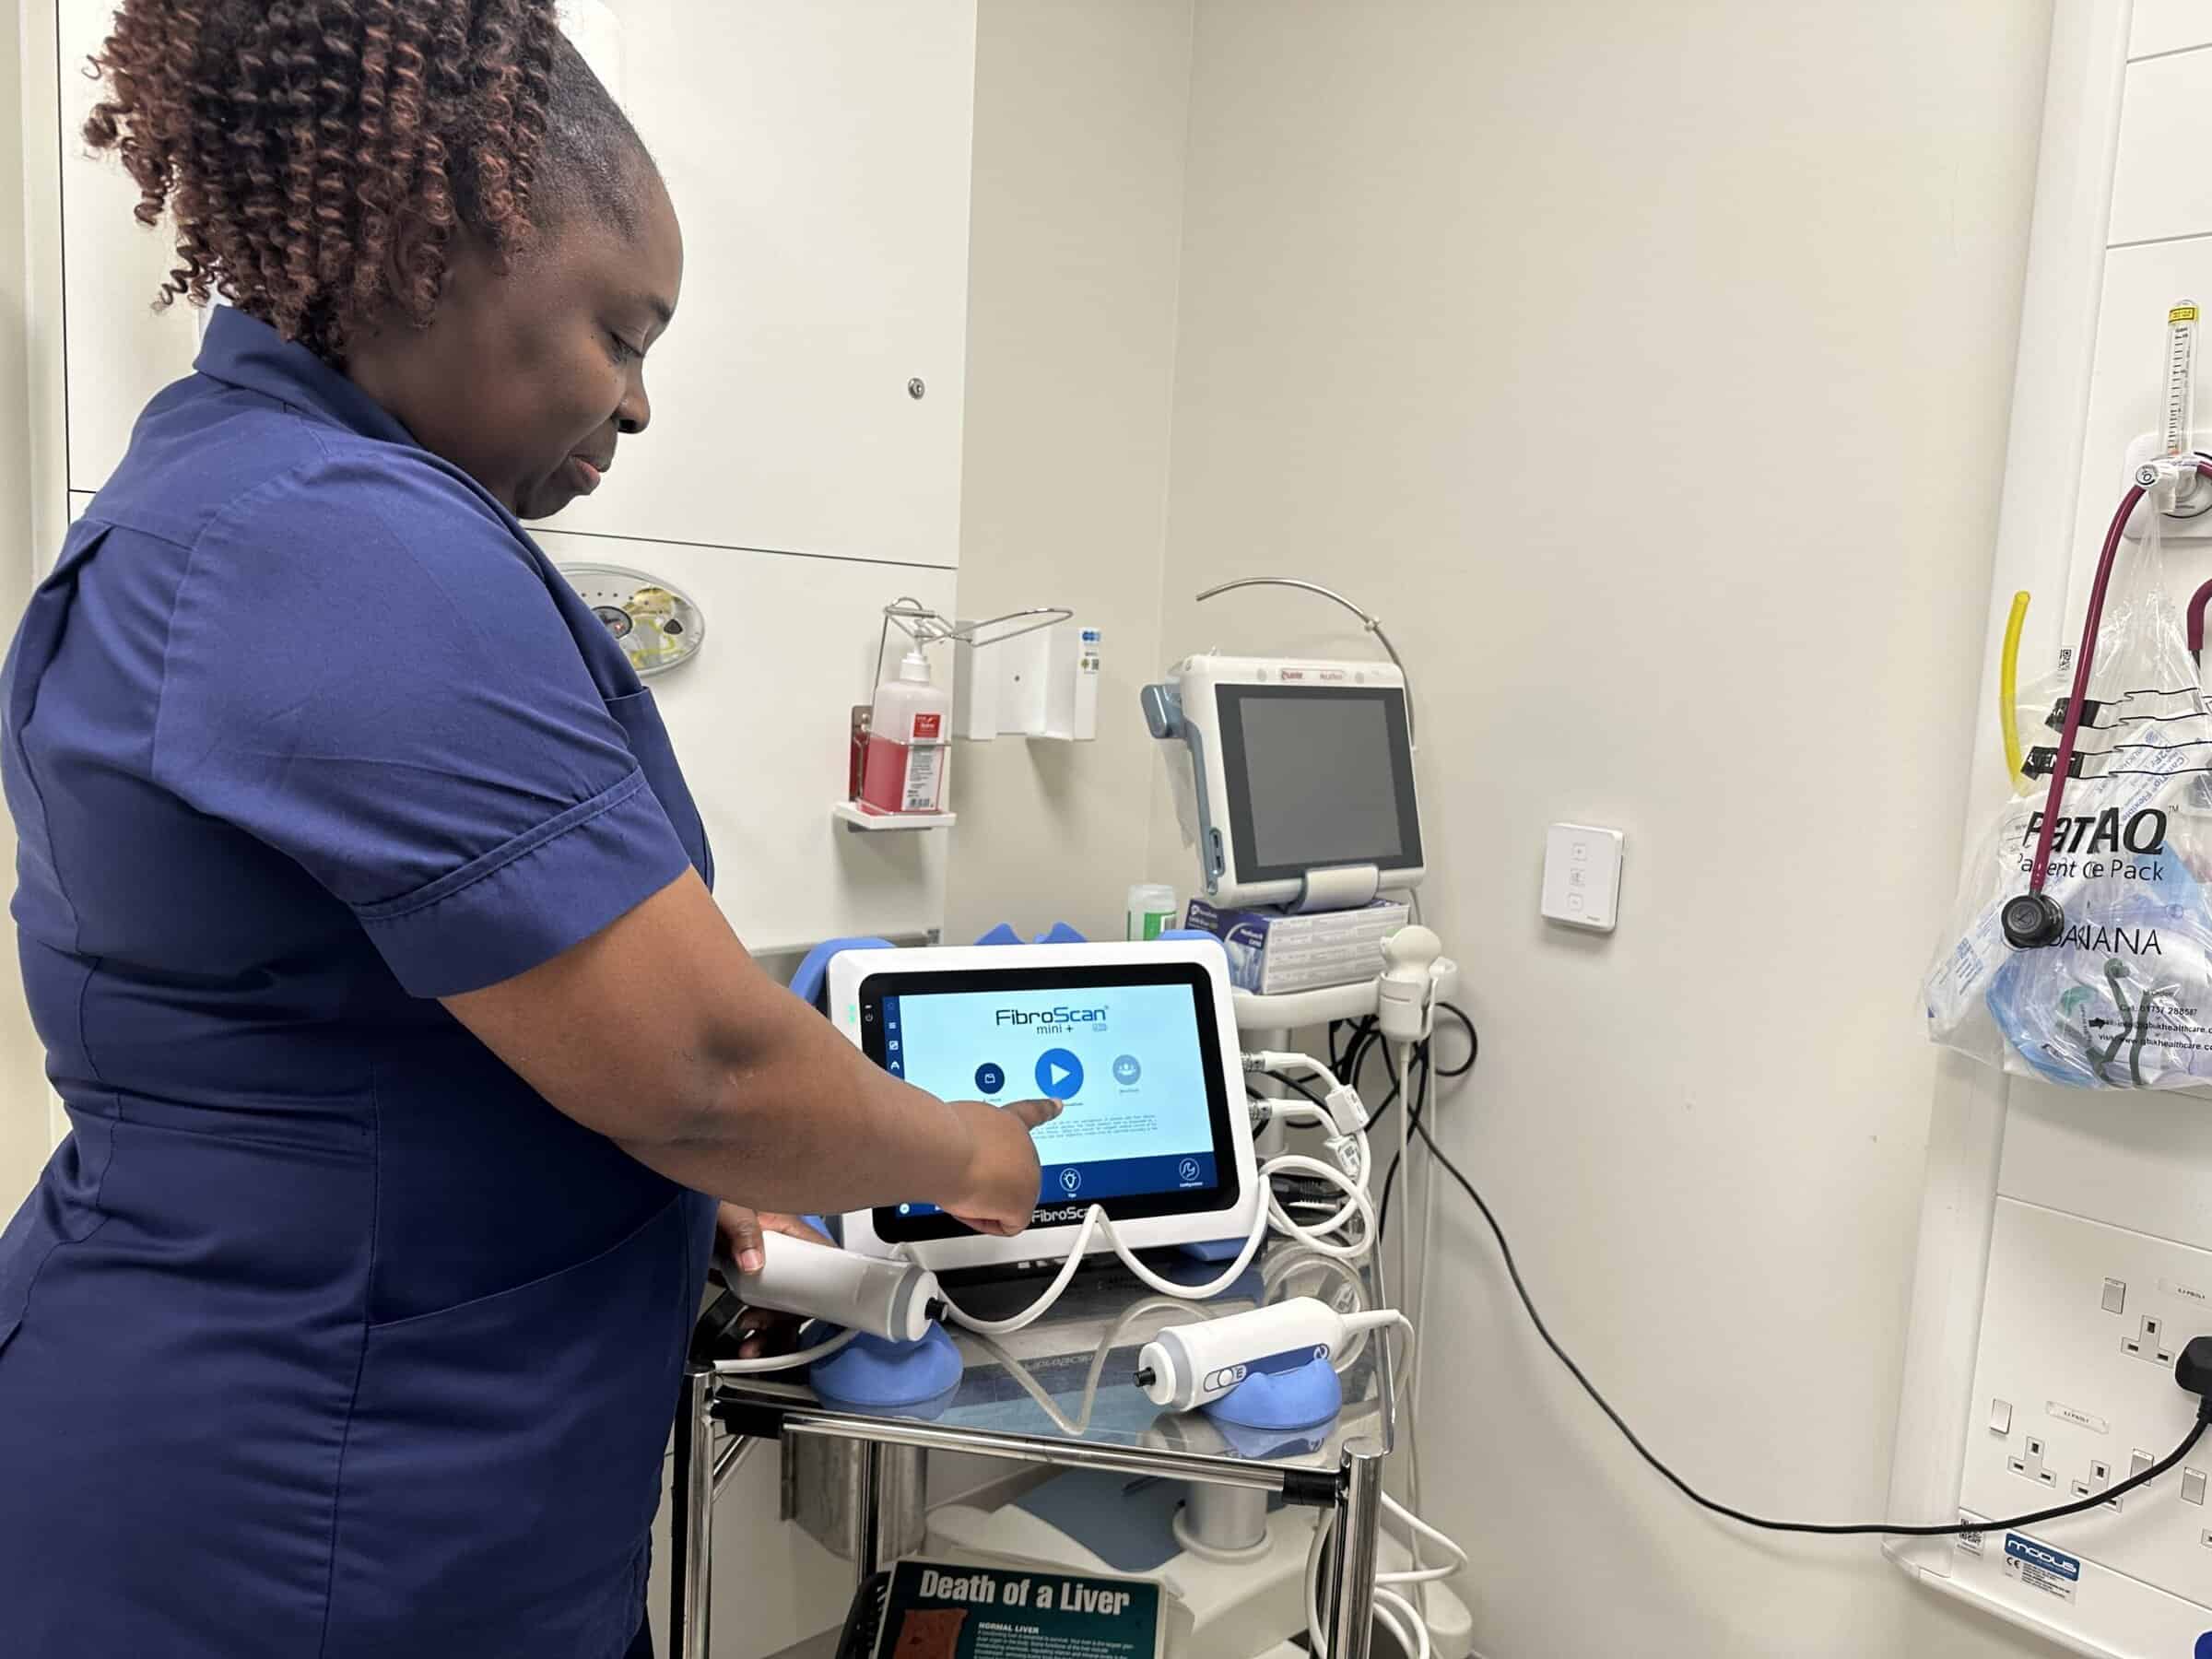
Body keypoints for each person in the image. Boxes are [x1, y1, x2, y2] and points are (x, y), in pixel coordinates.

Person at [0, 5, 1053, 1656]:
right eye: (621, 334)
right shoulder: (330, 544)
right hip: (300, 1524)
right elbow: (708, 1071)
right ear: (441, 243)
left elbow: (363, 1020)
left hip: (362, 1461)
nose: (636, 408)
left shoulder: (243, 499)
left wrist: (631, 1187)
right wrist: (980, 1158)